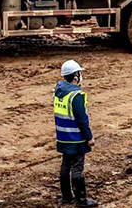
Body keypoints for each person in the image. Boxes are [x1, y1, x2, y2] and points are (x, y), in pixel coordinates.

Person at [55, 60, 98, 207]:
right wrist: (89, 137)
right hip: (76, 139)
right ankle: (81, 200)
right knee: (77, 168)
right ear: (75, 76)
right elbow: (82, 120)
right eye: (79, 73)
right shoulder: (76, 95)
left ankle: (66, 196)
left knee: (66, 165)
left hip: (63, 137)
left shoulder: (59, 91)